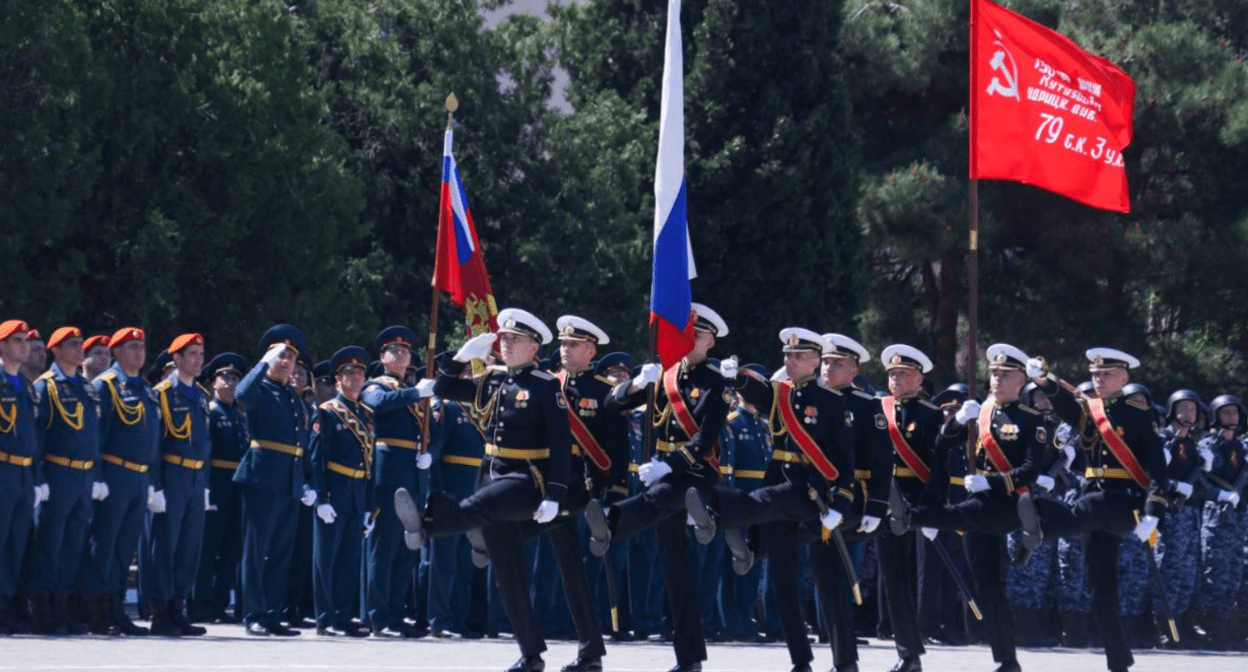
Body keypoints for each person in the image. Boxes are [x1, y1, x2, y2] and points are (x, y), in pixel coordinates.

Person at [394, 308, 571, 672]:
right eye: (502, 338)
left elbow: (561, 443)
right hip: (491, 473)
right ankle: (532, 654)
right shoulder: (493, 380)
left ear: (534, 346)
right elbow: (443, 389)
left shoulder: (546, 385)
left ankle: (427, 526)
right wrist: (459, 358)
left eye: (514, 339)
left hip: (525, 479)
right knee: (508, 573)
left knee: (474, 508)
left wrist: (555, 493)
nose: (505, 344)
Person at [685, 328, 855, 672]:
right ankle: (801, 661)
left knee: (761, 501)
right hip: (780, 480)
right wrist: (737, 379)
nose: (790, 361)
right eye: (787, 356)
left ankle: (715, 512)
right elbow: (758, 393)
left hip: (807, 491)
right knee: (782, 580)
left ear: (815, 361)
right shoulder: (778, 393)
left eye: (798, 356)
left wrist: (842, 503)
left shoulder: (833, 403)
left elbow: (844, 461)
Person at [584, 303, 733, 672]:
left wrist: (671, 463)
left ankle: (612, 522)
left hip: (694, 474)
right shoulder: (665, 374)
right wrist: (635, 383)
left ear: (710, 341)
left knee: (655, 500)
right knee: (676, 571)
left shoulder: (718, 382)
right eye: (684, 331)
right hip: (660, 470)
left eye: (695, 334)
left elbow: (706, 439)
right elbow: (610, 404)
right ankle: (690, 659)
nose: (686, 338)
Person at [1017, 348, 1169, 672]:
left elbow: (1157, 469)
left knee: (1081, 511)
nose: (1099, 379)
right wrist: (1043, 380)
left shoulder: (1140, 415)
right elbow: (1065, 405)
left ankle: (1039, 519)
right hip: (1093, 494)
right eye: (1095, 374)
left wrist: (1153, 513)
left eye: (1107, 374)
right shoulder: (1089, 411)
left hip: (1123, 502)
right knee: (1101, 587)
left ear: (1124, 377)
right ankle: (1119, 660)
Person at [898, 344, 1045, 672]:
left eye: (1005, 375)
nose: (996, 379)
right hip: (979, 502)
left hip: (1008, 500)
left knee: (954, 515)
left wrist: (991, 483)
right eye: (993, 373)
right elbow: (939, 445)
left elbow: (1031, 470)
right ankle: (1008, 661)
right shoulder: (981, 412)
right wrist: (956, 423)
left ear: (1021, 379)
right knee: (987, 586)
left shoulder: (1031, 420)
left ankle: (907, 515)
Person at [816, 333, 893, 672]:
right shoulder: (811, 398)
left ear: (854, 369)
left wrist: (876, 507)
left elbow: (881, 459)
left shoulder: (865, 405)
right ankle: (839, 655)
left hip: (853, 500)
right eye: (826, 361)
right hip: (816, 496)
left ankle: (844, 659)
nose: (829, 368)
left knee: (841, 575)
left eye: (837, 363)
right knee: (825, 576)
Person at [233, 324, 310, 636]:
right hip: (261, 477)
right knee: (256, 550)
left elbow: (299, 442)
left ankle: (272, 613)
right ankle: (253, 613)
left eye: (290, 357)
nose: (286, 361)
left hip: (289, 481)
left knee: (280, 552)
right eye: (281, 355)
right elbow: (241, 395)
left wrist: (303, 482)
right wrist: (263, 362)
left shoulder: (292, 396)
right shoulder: (260, 387)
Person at [82, 327, 160, 636]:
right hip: (114, 475)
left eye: (141, 347)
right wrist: (97, 478)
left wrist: (152, 481)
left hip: (139, 478)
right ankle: (98, 610)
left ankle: (117, 609)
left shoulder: (145, 388)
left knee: (125, 545)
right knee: (105, 543)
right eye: (131, 347)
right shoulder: (106, 386)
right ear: (117, 352)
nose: (139, 353)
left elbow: (152, 439)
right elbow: (95, 437)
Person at [360, 326, 435, 637]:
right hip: (388, 474)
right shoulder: (376, 385)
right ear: (383, 357)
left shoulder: (414, 392)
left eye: (405, 351)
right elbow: (376, 403)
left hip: (412, 473)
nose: (401, 354)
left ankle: (395, 611)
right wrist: (416, 393)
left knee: (407, 547)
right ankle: (379, 615)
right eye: (394, 350)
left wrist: (428, 453)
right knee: (385, 546)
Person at [878, 344, 945, 672]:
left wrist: (932, 507)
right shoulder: (880, 410)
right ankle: (908, 653)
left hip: (917, 501)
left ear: (918, 378)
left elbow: (938, 465)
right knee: (894, 578)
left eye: (902, 373)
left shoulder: (931, 415)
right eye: (891, 373)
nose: (894, 378)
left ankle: (930, 627)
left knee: (924, 575)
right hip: (885, 501)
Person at [141, 333, 211, 636]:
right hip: (171, 474)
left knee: (189, 546)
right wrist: (154, 485)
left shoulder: (201, 395)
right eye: (191, 354)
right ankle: (160, 612)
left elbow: (205, 443)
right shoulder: (162, 393)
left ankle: (178, 607)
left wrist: (205, 484)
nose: (198, 359)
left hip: (195, 477)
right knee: (165, 543)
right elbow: (154, 443)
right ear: (177, 359)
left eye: (200, 353)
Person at [308, 346, 378, 637]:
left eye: (360, 372)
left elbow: (372, 463)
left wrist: (369, 507)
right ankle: (325, 618)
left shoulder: (368, 414)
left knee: (350, 558)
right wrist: (321, 498)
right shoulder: (327, 412)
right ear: (337, 381)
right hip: (335, 489)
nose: (356, 377)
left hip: (358, 490)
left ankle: (343, 615)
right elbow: (315, 459)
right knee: (327, 556)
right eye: (349, 373)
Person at [193, 352, 248, 623]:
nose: (230, 382)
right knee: (208, 548)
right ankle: (199, 604)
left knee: (229, 550)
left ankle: (219, 603)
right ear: (214, 382)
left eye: (236, 378)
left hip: (235, 487)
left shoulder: (238, 415)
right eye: (224, 377)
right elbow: (205, 452)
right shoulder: (211, 412)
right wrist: (205, 487)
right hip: (215, 483)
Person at [1194, 394, 1246, 650]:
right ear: (1216, 415)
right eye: (1226, 413)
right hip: (1216, 513)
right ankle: (1210, 625)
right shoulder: (1208, 444)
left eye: (1235, 413)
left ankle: (1225, 625)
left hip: (1239, 516)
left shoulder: (1240, 447)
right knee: (1215, 571)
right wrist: (1219, 494)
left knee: (1234, 573)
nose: (1232, 417)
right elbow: (1200, 481)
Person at [1155, 389, 1204, 647]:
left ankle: (1181, 625)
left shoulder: (1193, 444)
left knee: (1187, 572)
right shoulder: (1162, 439)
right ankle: (1162, 626)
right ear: (1172, 410)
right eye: (1183, 407)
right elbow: (1151, 476)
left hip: (1189, 516)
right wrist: (1174, 485)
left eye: (1193, 409)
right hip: (1166, 514)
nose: (1189, 413)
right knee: (1167, 570)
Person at [0, 321, 37, 636]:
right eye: (17, 341)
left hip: (23, 472)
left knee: (16, 543)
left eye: (26, 340)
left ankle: (8, 604)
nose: (24, 346)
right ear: (2, 345)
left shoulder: (24, 384)